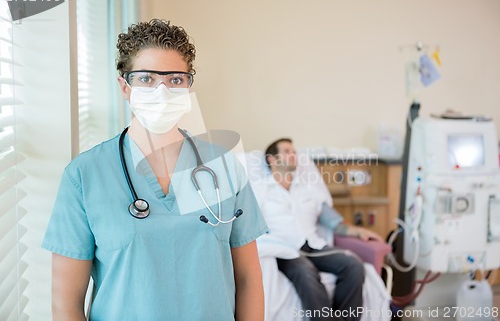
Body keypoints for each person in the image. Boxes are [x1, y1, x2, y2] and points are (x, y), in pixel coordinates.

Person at [42, 19, 268, 321]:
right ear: (125, 87)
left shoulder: (224, 166)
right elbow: (66, 305)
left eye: (175, 79)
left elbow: (249, 281)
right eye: (146, 79)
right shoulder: (85, 175)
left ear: (188, 86)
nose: (161, 91)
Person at [254, 138, 384, 321]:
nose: (293, 155)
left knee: (353, 265)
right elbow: (248, 224)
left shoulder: (308, 190)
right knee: (306, 272)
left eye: (294, 152)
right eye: (287, 151)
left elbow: (332, 221)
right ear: (271, 159)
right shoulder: (259, 191)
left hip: (314, 246)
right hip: (285, 251)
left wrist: (358, 232)